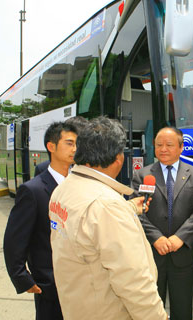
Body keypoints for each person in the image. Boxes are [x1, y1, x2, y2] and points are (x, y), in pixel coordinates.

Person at [49, 116, 167, 320]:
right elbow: (133, 281)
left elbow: (88, 230)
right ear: (118, 158)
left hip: (78, 307)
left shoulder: (63, 189)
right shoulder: (107, 206)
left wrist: (128, 208)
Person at [131, 127, 193, 320]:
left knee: (182, 308)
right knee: (150, 309)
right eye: (159, 145)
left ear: (181, 147)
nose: (163, 149)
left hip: (182, 253)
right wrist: (156, 238)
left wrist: (180, 237)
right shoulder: (142, 175)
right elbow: (134, 211)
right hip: (151, 253)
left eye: (169, 145)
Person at [3, 121, 78, 320]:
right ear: (51, 147)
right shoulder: (33, 190)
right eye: (69, 143)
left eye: (76, 144)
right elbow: (15, 239)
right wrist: (21, 277)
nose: (75, 149)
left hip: (81, 281)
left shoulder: (80, 184)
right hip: (50, 284)